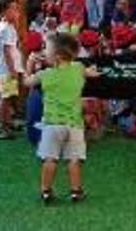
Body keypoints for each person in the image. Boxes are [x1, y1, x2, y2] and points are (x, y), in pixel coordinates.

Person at [23, 32, 99, 204]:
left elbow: (26, 82)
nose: (43, 51)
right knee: (74, 160)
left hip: (52, 125)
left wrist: (29, 64)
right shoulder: (78, 68)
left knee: (50, 159)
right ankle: (75, 191)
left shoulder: (46, 74)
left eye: (46, 49)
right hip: (74, 125)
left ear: (56, 56)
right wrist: (95, 72)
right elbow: (92, 74)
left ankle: (46, 191)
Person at [0, 0, 24, 139]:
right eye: (12, 9)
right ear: (3, 13)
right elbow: (7, 51)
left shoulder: (6, 26)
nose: (16, 12)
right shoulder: (7, 29)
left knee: (9, 95)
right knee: (5, 98)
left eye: (17, 9)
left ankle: (7, 121)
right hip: (8, 69)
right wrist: (12, 69)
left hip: (7, 68)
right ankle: (2, 127)